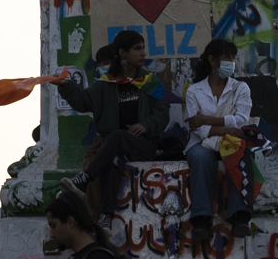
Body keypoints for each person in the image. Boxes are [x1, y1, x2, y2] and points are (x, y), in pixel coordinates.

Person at [58, 32, 169, 221]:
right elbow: (83, 101)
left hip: (142, 145)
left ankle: (85, 178)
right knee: (114, 161)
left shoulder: (150, 80)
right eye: (137, 49)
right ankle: (106, 216)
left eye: (143, 48)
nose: (143, 53)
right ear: (123, 53)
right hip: (112, 145)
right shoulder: (105, 83)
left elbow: (163, 113)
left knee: (117, 136)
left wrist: (146, 125)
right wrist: (66, 86)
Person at [183, 38, 258, 238]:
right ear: (213, 60)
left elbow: (241, 120)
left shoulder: (240, 88)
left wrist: (207, 119)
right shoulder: (194, 91)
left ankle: (239, 215)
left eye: (233, 58)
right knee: (200, 157)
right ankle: (201, 219)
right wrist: (226, 128)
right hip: (201, 143)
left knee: (242, 152)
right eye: (227, 58)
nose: (231, 62)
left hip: (231, 140)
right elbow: (198, 130)